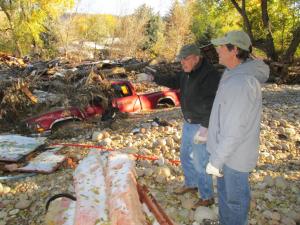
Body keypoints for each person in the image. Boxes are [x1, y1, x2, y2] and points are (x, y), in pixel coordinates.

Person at [137, 44, 221, 208]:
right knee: (184, 156)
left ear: (197, 57)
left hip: (202, 126)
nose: (182, 62)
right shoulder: (187, 72)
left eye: (185, 59)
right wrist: (153, 78)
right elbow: (174, 80)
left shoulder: (210, 75)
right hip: (189, 122)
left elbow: (213, 104)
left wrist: (206, 127)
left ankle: (206, 196)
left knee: (200, 162)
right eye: (181, 59)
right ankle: (191, 183)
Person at [205, 30, 269, 225]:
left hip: (234, 157)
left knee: (234, 202)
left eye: (222, 46)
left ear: (234, 50)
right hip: (227, 153)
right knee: (225, 198)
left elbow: (234, 130)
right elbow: (224, 115)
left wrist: (216, 161)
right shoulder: (231, 74)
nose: (217, 50)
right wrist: (209, 132)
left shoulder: (242, 82)